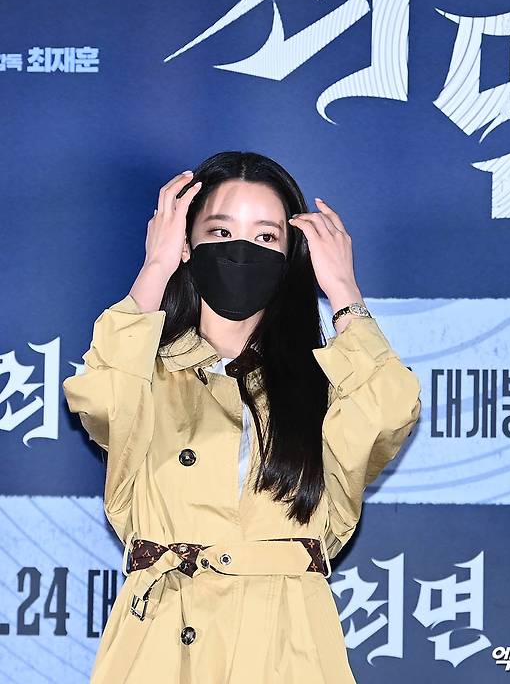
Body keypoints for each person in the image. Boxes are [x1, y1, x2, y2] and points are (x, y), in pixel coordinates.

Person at [62, 150, 422, 683]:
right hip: (162, 646)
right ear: (187, 242)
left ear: (290, 254)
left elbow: (391, 412)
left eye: (266, 237)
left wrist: (344, 293)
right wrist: (155, 268)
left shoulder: (323, 386)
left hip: (288, 649)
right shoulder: (144, 373)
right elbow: (98, 399)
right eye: (221, 230)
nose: (241, 251)